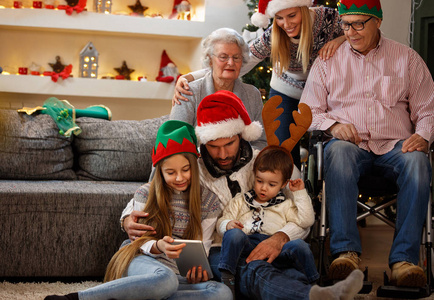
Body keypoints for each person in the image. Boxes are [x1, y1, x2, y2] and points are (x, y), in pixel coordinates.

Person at [122, 91, 365, 299]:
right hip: (222, 249)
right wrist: (126, 219)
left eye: (229, 143)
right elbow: (153, 189)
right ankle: (312, 296)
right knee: (254, 272)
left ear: (241, 135)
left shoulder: (268, 162)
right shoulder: (190, 167)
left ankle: (321, 292)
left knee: (290, 269)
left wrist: (280, 237)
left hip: (272, 239)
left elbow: (301, 216)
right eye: (214, 146)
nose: (223, 154)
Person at [300, 0, 434, 287]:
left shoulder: (407, 58)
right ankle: (345, 254)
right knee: (338, 153)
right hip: (350, 148)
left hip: (396, 146)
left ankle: (404, 261)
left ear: (378, 22)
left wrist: (423, 135)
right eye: (346, 25)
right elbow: (308, 112)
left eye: (359, 23)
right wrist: (334, 126)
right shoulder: (327, 60)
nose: (351, 32)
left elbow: (428, 110)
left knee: (418, 161)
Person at [45, 120, 232, 300]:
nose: (179, 178)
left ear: (193, 166)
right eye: (170, 172)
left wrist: (197, 271)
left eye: (185, 170)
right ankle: (75, 298)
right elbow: (139, 241)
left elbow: (203, 247)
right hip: (141, 259)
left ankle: (135, 294)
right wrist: (159, 246)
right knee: (165, 280)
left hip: (178, 276)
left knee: (221, 293)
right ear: (160, 171)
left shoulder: (209, 202)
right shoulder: (146, 193)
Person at [173, 0, 346, 169]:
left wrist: (340, 40)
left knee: (328, 144)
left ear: (304, 9)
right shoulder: (272, 35)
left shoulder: (328, 18)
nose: (286, 24)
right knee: (281, 150)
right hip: (286, 90)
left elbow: (364, 29)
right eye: (279, 18)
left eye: (292, 15)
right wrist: (190, 77)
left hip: (321, 91)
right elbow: (238, 63)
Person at [217, 145, 316, 296]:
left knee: (300, 245)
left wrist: (300, 193)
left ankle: (315, 284)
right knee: (233, 234)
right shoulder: (240, 201)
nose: (263, 188)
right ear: (254, 176)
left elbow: (306, 221)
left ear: (283, 184)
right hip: (247, 247)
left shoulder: (286, 205)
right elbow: (222, 221)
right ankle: (227, 279)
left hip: (276, 251)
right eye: (259, 181)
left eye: (271, 184)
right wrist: (227, 224)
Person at [170, 27, 267, 150]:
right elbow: (174, 142)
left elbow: (261, 142)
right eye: (223, 57)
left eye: (236, 57)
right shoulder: (188, 92)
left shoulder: (252, 94)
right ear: (210, 60)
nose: (231, 63)